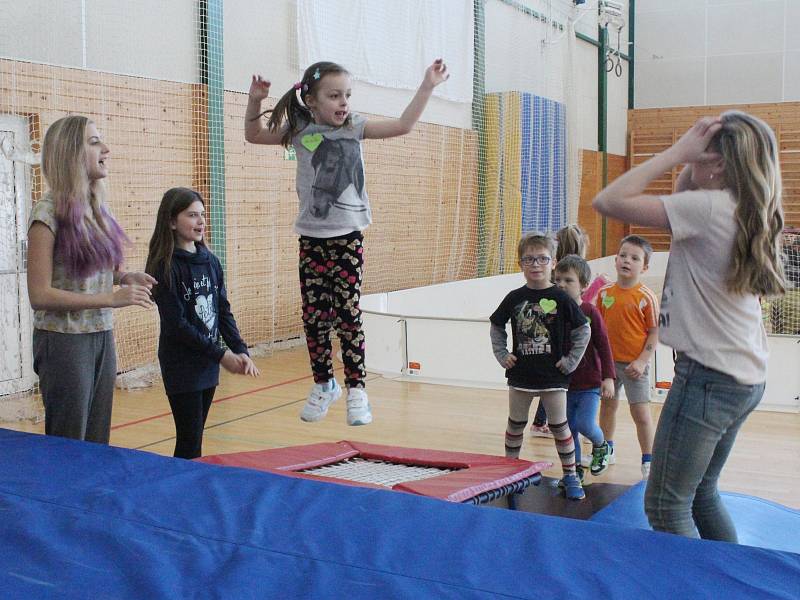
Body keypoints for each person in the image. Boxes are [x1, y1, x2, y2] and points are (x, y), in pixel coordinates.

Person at [593, 112, 785, 541]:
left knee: (665, 505)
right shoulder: (743, 204)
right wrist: (692, 160)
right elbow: (687, 188)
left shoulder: (709, 208)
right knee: (700, 494)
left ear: (715, 164)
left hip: (708, 379)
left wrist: (675, 152)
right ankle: (724, 577)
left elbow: (608, 201)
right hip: (743, 377)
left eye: (701, 151)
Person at [244, 59, 449, 425]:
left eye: (347, 95)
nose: (344, 103)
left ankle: (357, 388)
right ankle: (324, 384)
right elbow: (254, 135)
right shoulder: (300, 128)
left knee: (347, 314)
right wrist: (256, 101)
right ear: (310, 99)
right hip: (311, 239)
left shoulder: (355, 127)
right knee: (314, 317)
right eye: (334, 96)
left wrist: (427, 86)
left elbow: (403, 125)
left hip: (347, 238)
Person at [27, 115, 156, 443]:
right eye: (94, 141)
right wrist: (110, 299)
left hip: (100, 334)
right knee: (69, 440)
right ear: (70, 153)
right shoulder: (46, 214)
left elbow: (86, 272)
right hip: (64, 340)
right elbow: (39, 294)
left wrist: (123, 276)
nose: (106, 149)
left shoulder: (95, 209)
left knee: (97, 438)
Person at [146, 187, 259, 459]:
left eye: (203, 215)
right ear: (172, 221)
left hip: (207, 363)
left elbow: (222, 310)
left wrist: (240, 349)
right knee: (189, 440)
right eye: (192, 215)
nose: (201, 221)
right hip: (182, 363)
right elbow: (178, 325)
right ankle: (182, 493)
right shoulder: (165, 266)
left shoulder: (211, 261)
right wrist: (222, 354)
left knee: (196, 437)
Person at [490, 232, 590, 500]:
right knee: (515, 424)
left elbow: (584, 330)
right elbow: (496, 325)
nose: (536, 264)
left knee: (560, 426)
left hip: (553, 376)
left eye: (542, 259)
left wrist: (571, 361)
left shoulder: (561, 297)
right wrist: (501, 354)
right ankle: (509, 472)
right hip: (521, 374)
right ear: (521, 263)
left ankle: (570, 475)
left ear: (553, 262)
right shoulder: (514, 298)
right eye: (529, 259)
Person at [530, 224, 609, 437]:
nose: (562, 283)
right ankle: (542, 423)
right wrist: (600, 283)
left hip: (567, 351)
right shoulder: (570, 272)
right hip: (566, 349)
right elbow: (577, 301)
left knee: (557, 388)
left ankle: (544, 423)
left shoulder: (558, 271)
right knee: (556, 387)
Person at [594, 235, 659, 479]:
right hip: (608, 365)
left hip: (635, 366)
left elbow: (654, 333)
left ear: (644, 267)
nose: (627, 261)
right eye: (623, 255)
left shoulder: (646, 297)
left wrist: (642, 361)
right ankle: (607, 449)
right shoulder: (603, 293)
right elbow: (597, 330)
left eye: (634, 258)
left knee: (641, 414)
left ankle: (648, 460)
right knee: (607, 406)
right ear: (615, 259)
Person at [553, 255, 616, 483]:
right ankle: (574, 470)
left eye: (568, 280)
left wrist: (608, 377)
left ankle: (602, 446)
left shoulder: (590, 311)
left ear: (583, 286)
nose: (561, 284)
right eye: (558, 279)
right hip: (564, 384)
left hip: (589, 383)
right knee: (568, 430)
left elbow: (604, 344)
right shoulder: (554, 313)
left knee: (584, 423)